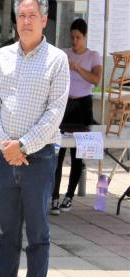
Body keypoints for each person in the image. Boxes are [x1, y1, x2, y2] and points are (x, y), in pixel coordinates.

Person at [0, 0, 69, 277]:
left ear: (44, 20)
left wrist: (24, 147)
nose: (26, 21)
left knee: (38, 235)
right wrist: (6, 145)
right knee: (7, 234)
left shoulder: (57, 60)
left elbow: (54, 113)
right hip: (6, 158)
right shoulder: (2, 56)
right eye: (22, 15)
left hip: (39, 159)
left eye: (33, 15)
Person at [51, 18, 102, 214]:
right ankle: (54, 196)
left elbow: (96, 79)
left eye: (78, 38)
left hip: (82, 105)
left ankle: (69, 196)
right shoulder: (64, 53)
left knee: (77, 154)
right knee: (58, 152)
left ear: (85, 37)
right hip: (65, 104)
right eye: (72, 37)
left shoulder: (93, 56)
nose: (74, 41)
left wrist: (78, 68)